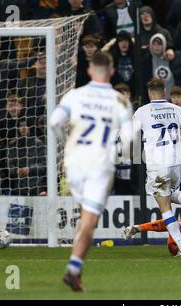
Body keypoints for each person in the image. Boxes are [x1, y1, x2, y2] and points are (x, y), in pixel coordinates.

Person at [50, 51, 134, 292]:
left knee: (83, 215)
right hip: (99, 164)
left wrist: (66, 144)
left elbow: (54, 122)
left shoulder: (75, 95)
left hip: (73, 162)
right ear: (112, 71)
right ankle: (73, 269)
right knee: (90, 220)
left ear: (89, 71)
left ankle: (76, 271)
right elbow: (128, 139)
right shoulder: (120, 101)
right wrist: (123, 155)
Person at [132, 78, 181, 257]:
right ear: (165, 92)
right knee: (171, 192)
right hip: (177, 163)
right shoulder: (177, 110)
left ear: (149, 93)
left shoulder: (142, 112)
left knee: (165, 207)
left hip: (157, 164)